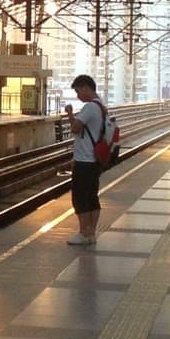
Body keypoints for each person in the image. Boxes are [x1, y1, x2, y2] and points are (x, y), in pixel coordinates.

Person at [65, 74, 109, 246]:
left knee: (80, 198)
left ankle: (84, 233)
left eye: (78, 91)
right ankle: (91, 233)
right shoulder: (101, 106)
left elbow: (76, 128)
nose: (78, 96)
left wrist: (70, 114)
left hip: (85, 160)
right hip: (94, 161)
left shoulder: (90, 107)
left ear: (86, 88)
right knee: (92, 197)